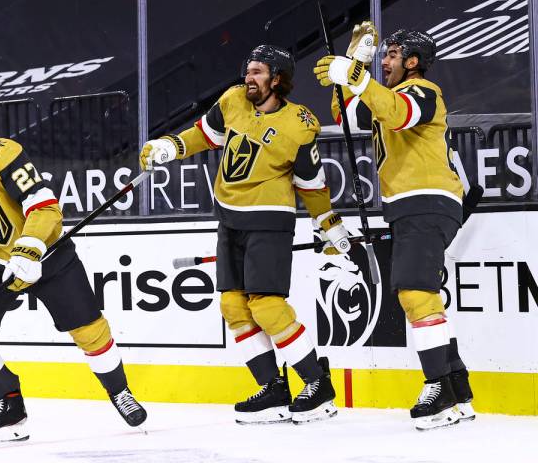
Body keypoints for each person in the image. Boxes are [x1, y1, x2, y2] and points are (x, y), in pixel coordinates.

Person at [140, 45, 351, 425]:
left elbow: (311, 182)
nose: (248, 78)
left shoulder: (299, 123)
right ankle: (273, 388)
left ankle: (317, 385)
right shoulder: (233, 101)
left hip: (270, 219)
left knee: (267, 306)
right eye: (247, 71)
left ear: (277, 79)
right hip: (229, 218)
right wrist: (169, 147)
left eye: (257, 72)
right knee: (233, 307)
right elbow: (204, 135)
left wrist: (328, 222)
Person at [0, 96, 147, 444]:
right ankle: (10, 407)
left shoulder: (4, 154)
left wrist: (29, 248)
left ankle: (120, 392)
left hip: (49, 256)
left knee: (90, 331)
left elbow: (45, 209)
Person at [313, 23, 475, 430]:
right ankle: (458, 394)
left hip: (427, 200)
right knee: (423, 295)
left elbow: (399, 114)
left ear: (414, 62)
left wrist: (356, 76)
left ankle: (437, 390)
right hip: (410, 206)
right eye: (382, 55)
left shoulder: (424, 90)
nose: (385, 61)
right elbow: (347, 113)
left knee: (415, 292)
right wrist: (354, 64)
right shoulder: (384, 94)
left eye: (392, 55)